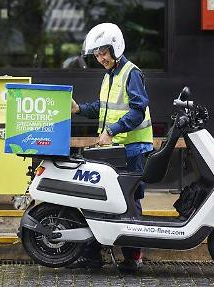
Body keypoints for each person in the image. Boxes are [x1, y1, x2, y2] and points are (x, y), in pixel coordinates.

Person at [70, 23, 153, 273]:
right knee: (101, 198)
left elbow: (138, 111)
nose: (100, 58)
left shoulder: (131, 73)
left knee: (129, 203)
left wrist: (111, 131)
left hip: (133, 149)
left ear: (116, 47)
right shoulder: (110, 76)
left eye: (103, 52)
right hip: (115, 151)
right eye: (96, 54)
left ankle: (134, 257)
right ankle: (93, 254)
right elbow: (103, 107)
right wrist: (79, 110)